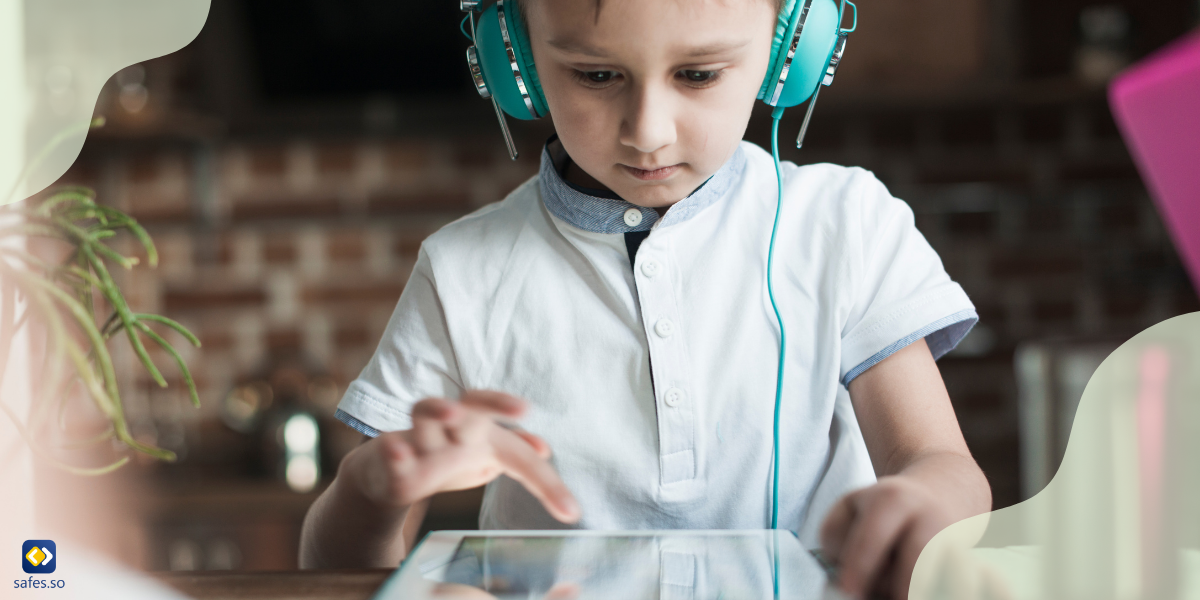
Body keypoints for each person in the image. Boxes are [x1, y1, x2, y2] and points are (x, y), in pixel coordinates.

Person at [300, 0, 992, 598]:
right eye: (596, 75)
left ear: (791, 50)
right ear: (515, 54)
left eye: (697, 74)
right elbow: (334, 569)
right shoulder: (461, 271)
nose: (647, 130)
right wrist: (367, 493)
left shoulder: (846, 223)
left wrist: (924, 500)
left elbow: (940, 464)